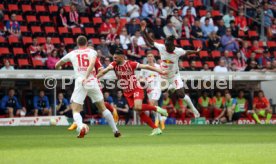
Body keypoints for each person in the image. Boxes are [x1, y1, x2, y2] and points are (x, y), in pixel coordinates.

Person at [55, 35, 120, 138]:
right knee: (103, 108)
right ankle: (115, 130)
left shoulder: (72, 53)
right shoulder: (92, 52)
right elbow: (92, 63)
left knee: (75, 110)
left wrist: (58, 68)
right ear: (86, 43)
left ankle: (81, 127)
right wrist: (88, 75)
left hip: (81, 81)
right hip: (92, 81)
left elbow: (57, 64)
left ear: (77, 43)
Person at [96, 48, 168, 136]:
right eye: (113, 58)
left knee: (138, 107)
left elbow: (147, 66)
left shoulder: (131, 64)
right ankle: (156, 129)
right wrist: (94, 78)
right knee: (138, 111)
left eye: (116, 58)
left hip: (136, 88)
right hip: (127, 92)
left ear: (122, 57)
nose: (114, 59)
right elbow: (103, 72)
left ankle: (157, 109)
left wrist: (161, 71)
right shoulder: (113, 64)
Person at [141, 21, 200, 118]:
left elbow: (187, 52)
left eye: (169, 46)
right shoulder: (162, 47)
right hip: (163, 75)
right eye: (167, 46)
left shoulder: (178, 51)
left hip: (174, 76)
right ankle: (169, 89)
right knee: (162, 92)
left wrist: (196, 52)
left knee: (181, 94)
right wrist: (144, 31)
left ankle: (194, 109)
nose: (168, 48)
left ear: (173, 45)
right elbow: (151, 41)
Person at [140, 53, 164, 129]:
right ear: (147, 58)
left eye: (151, 56)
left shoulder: (158, 66)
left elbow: (163, 75)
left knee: (152, 104)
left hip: (157, 88)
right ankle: (161, 121)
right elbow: (141, 77)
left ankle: (157, 122)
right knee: (154, 106)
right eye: (148, 56)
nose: (150, 58)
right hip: (149, 89)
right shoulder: (144, 68)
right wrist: (142, 80)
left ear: (153, 57)